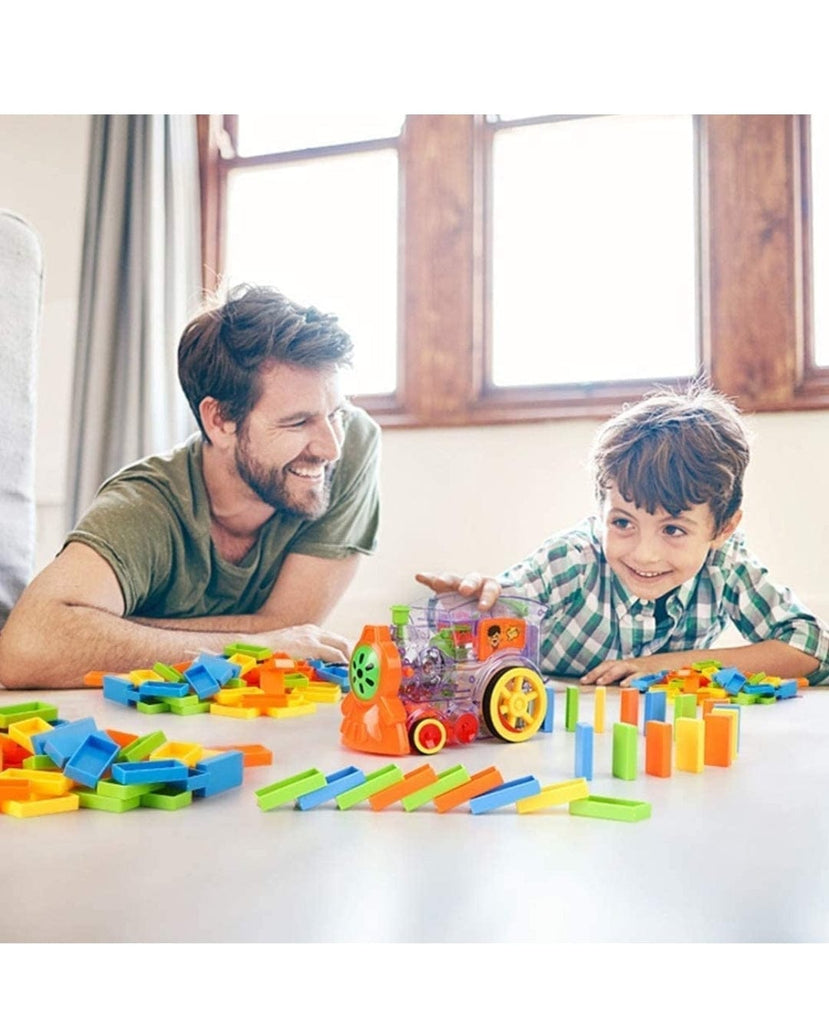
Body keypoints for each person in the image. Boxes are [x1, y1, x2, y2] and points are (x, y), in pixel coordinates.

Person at [0, 284, 380, 689]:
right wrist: (254, 644)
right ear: (219, 420)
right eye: (297, 422)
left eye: (336, 413)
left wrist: (114, 629)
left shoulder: (352, 444)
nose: (330, 447)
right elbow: (24, 648)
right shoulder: (145, 507)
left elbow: (290, 625)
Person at [416, 385, 829, 687]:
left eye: (673, 529)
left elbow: (810, 648)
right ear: (600, 511)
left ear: (722, 528)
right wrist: (476, 606)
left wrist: (667, 664)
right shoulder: (573, 559)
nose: (644, 554)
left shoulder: (726, 565)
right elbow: (497, 612)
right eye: (623, 523)